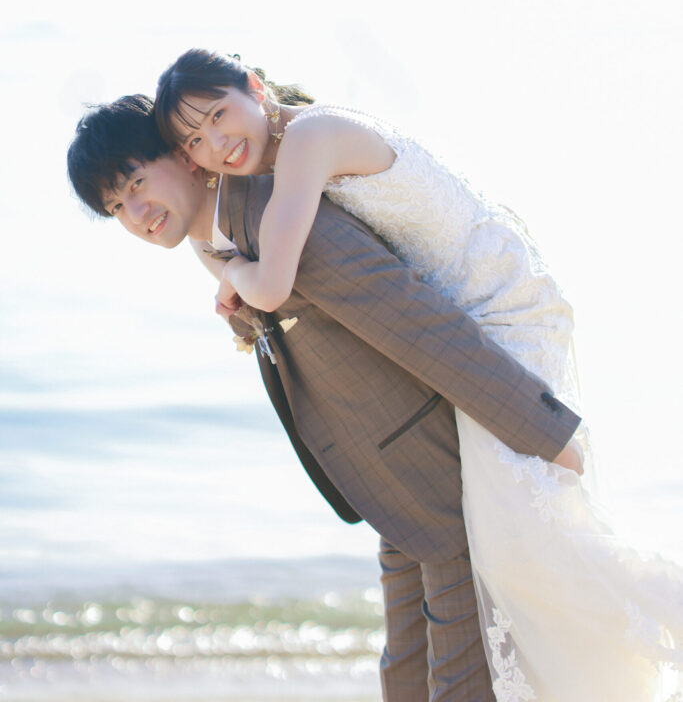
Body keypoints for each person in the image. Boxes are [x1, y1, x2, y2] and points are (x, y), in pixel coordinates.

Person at [152, 48, 683, 701]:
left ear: (255, 88)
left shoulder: (307, 141)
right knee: (518, 550)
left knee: (532, 546)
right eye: (194, 141)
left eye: (217, 116)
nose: (215, 144)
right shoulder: (278, 159)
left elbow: (271, 284)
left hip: (501, 304)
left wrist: (230, 271)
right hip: (467, 312)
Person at [67, 92, 583, 702]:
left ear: (184, 157)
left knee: (458, 685)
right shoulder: (225, 240)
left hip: (437, 480)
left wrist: (544, 431)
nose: (135, 213)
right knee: (405, 677)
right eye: (116, 207)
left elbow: (418, 323)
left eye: (136, 183)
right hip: (388, 487)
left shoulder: (282, 221)